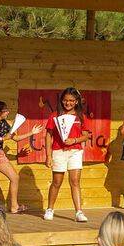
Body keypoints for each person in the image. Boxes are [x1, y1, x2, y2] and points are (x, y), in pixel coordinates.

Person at [0, 101, 41, 215]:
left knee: (14, 177)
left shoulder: (4, 123)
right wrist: (2, 139)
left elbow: (15, 138)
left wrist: (32, 132)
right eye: (5, 110)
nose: (8, 112)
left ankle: (14, 206)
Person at [44, 87, 91, 223]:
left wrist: (74, 140)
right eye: (65, 100)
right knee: (57, 182)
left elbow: (86, 136)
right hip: (58, 151)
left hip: (75, 151)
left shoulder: (81, 116)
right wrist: (48, 155)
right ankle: (50, 209)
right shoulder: (54, 115)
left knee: (75, 181)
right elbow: (48, 135)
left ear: (76, 101)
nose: (68, 103)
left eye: (71, 100)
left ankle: (79, 212)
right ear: (61, 100)